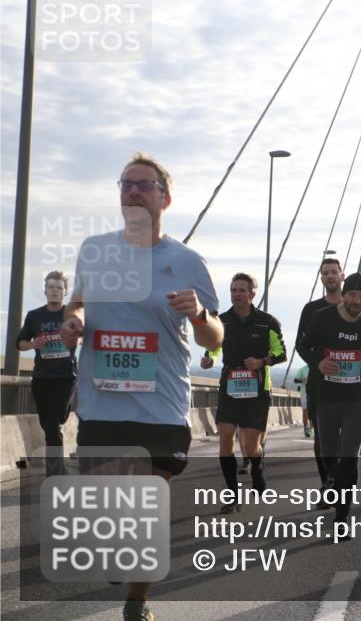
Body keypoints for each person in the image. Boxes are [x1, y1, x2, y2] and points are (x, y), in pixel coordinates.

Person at [60, 152, 223, 621]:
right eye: (125, 185)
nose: (132, 191)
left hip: (162, 406)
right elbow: (78, 306)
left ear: (165, 198)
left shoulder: (187, 261)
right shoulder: (95, 250)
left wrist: (199, 314)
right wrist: (74, 322)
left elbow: (216, 338)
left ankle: (138, 600)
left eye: (143, 185)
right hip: (102, 402)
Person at [299, 272, 361, 526]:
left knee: (349, 455)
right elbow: (303, 346)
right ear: (343, 294)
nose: (356, 301)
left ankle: (343, 516)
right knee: (329, 455)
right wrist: (318, 362)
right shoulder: (322, 318)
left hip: (357, 397)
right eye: (352, 294)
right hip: (326, 395)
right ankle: (330, 476)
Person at [201, 273, 287, 512]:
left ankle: (257, 468)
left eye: (241, 290)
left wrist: (262, 361)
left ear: (252, 295)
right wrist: (209, 358)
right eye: (233, 290)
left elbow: (282, 354)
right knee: (225, 435)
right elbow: (214, 347)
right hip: (230, 385)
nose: (236, 294)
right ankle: (232, 495)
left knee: (250, 446)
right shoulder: (222, 320)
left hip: (257, 389)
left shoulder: (268, 322)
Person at [17, 270, 77, 475]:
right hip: (42, 377)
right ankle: (58, 468)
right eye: (51, 287)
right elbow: (20, 343)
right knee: (47, 423)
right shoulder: (35, 316)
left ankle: (55, 471)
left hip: (65, 377)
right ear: (45, 291)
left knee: (52, 423)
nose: (55, 291)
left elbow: (88, 334)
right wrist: (34, 343)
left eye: (59, 287)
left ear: (65, 292)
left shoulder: (73, 313)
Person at [294, 257, 344, 493]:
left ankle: (342, 479)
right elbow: (301, 344)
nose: (330, 276)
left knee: (348, 438)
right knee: (322, 438)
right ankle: (328, 483)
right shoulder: (311, 309)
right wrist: (319, 362)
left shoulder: (355, 305)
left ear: (342, 276)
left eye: (334, 272)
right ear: (321, 278)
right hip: (320, 384)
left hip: (351, 386)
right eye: (326, 273)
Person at [293, 365, 312, 438]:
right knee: (305, 410)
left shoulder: (317, 367)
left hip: (315, 393)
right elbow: (295, 380)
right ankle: (306, 428)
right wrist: (303, 380)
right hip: (304, 393)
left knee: (313, 411)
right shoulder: (302, 369)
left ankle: (312, 428)